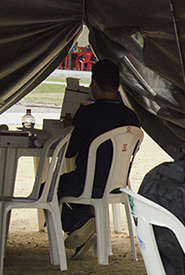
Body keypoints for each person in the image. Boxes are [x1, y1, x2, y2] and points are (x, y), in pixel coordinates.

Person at [59, 59, 140, 259]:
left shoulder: (86, 114)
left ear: (93, 84)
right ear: (118, 86)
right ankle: (83, 224)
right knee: (71, 187)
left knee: (49, 189)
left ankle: (79, 225)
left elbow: (69, 153)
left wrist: (69, 128)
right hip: (117, 184)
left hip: (87, 182)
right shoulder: (131, 117)